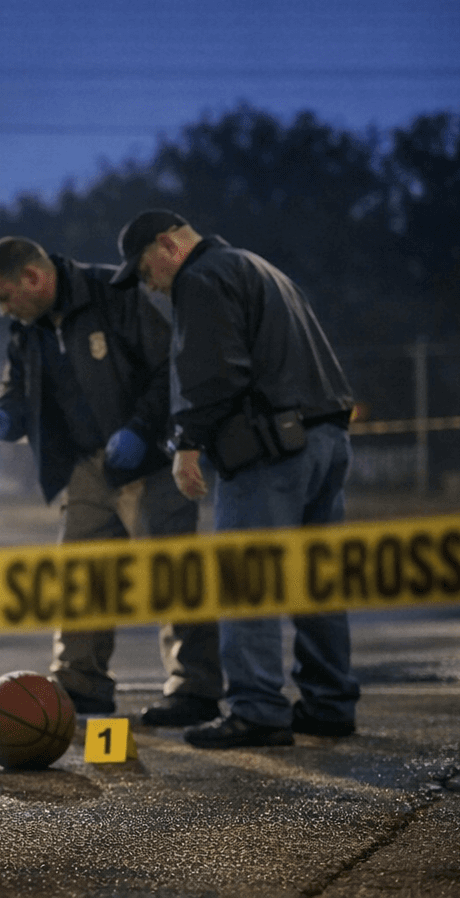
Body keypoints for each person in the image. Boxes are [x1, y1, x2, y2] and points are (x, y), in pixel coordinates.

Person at [113, 209, 359, 748]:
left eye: (145, 270)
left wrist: (188, 444)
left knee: (246, 579)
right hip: (324, 438)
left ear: (168, 246)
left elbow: (215, 371)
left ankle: (257, 710)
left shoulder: (201, 278)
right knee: (317, 581)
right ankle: (330, 703)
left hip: (269, 451)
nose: (148, 284)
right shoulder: (260, 268)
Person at [0, 236, 222, 725]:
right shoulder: (28, 329)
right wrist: (0, 418)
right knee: (80, 575)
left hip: (149, 461)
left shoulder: (115, 292)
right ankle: (81, 684)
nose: (3, 311)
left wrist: (141, 430)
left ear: (33, 278)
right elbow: (17, 392)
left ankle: (196, 688)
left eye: (5, 298)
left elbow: (168, 368)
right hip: (87, 466)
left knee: (172, 573)